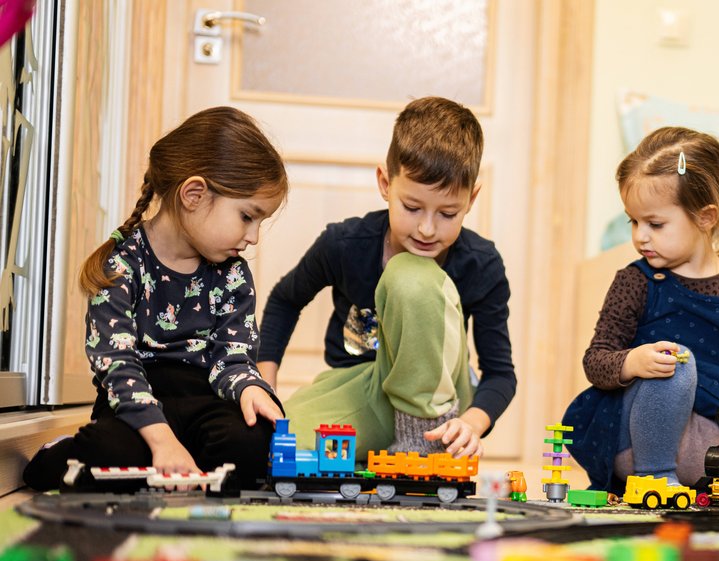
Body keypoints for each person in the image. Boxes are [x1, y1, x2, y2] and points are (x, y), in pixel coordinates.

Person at [23, 106, 288, 491]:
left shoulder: (232, 273)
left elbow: (233, 356)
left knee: (251, 445)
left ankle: (178, 459)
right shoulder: (121, 265)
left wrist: (252, 389)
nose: (254, 237)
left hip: (205, 398)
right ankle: (60, 453)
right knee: (112, 455)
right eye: (248, 217)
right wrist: (161, 439)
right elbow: (117, 367)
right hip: (133, 401)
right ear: (193, 194)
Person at [258, 97, 514, 459]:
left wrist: (471, 423)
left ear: (471, 199)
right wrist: (264, 385)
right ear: (384, 183)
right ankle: (383, 444)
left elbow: (500, 373)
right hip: (363, 390)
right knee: (263, 444)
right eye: (412, 207)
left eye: (448, 213)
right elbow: (286, 299)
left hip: (444, 401)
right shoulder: (344, 244)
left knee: (411, 273)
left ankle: (420, 439)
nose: (427, 229)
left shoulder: (481, 263)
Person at [562, 126, 719, 495]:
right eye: (633, 221)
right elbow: (595, 360)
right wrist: (632, 362)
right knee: (677, 360)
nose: (639, 236)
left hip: (712, 437)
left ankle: (705, 481)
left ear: (706, 216)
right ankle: (655, 477)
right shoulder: (638, 281)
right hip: (638, 436)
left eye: (655, 224)